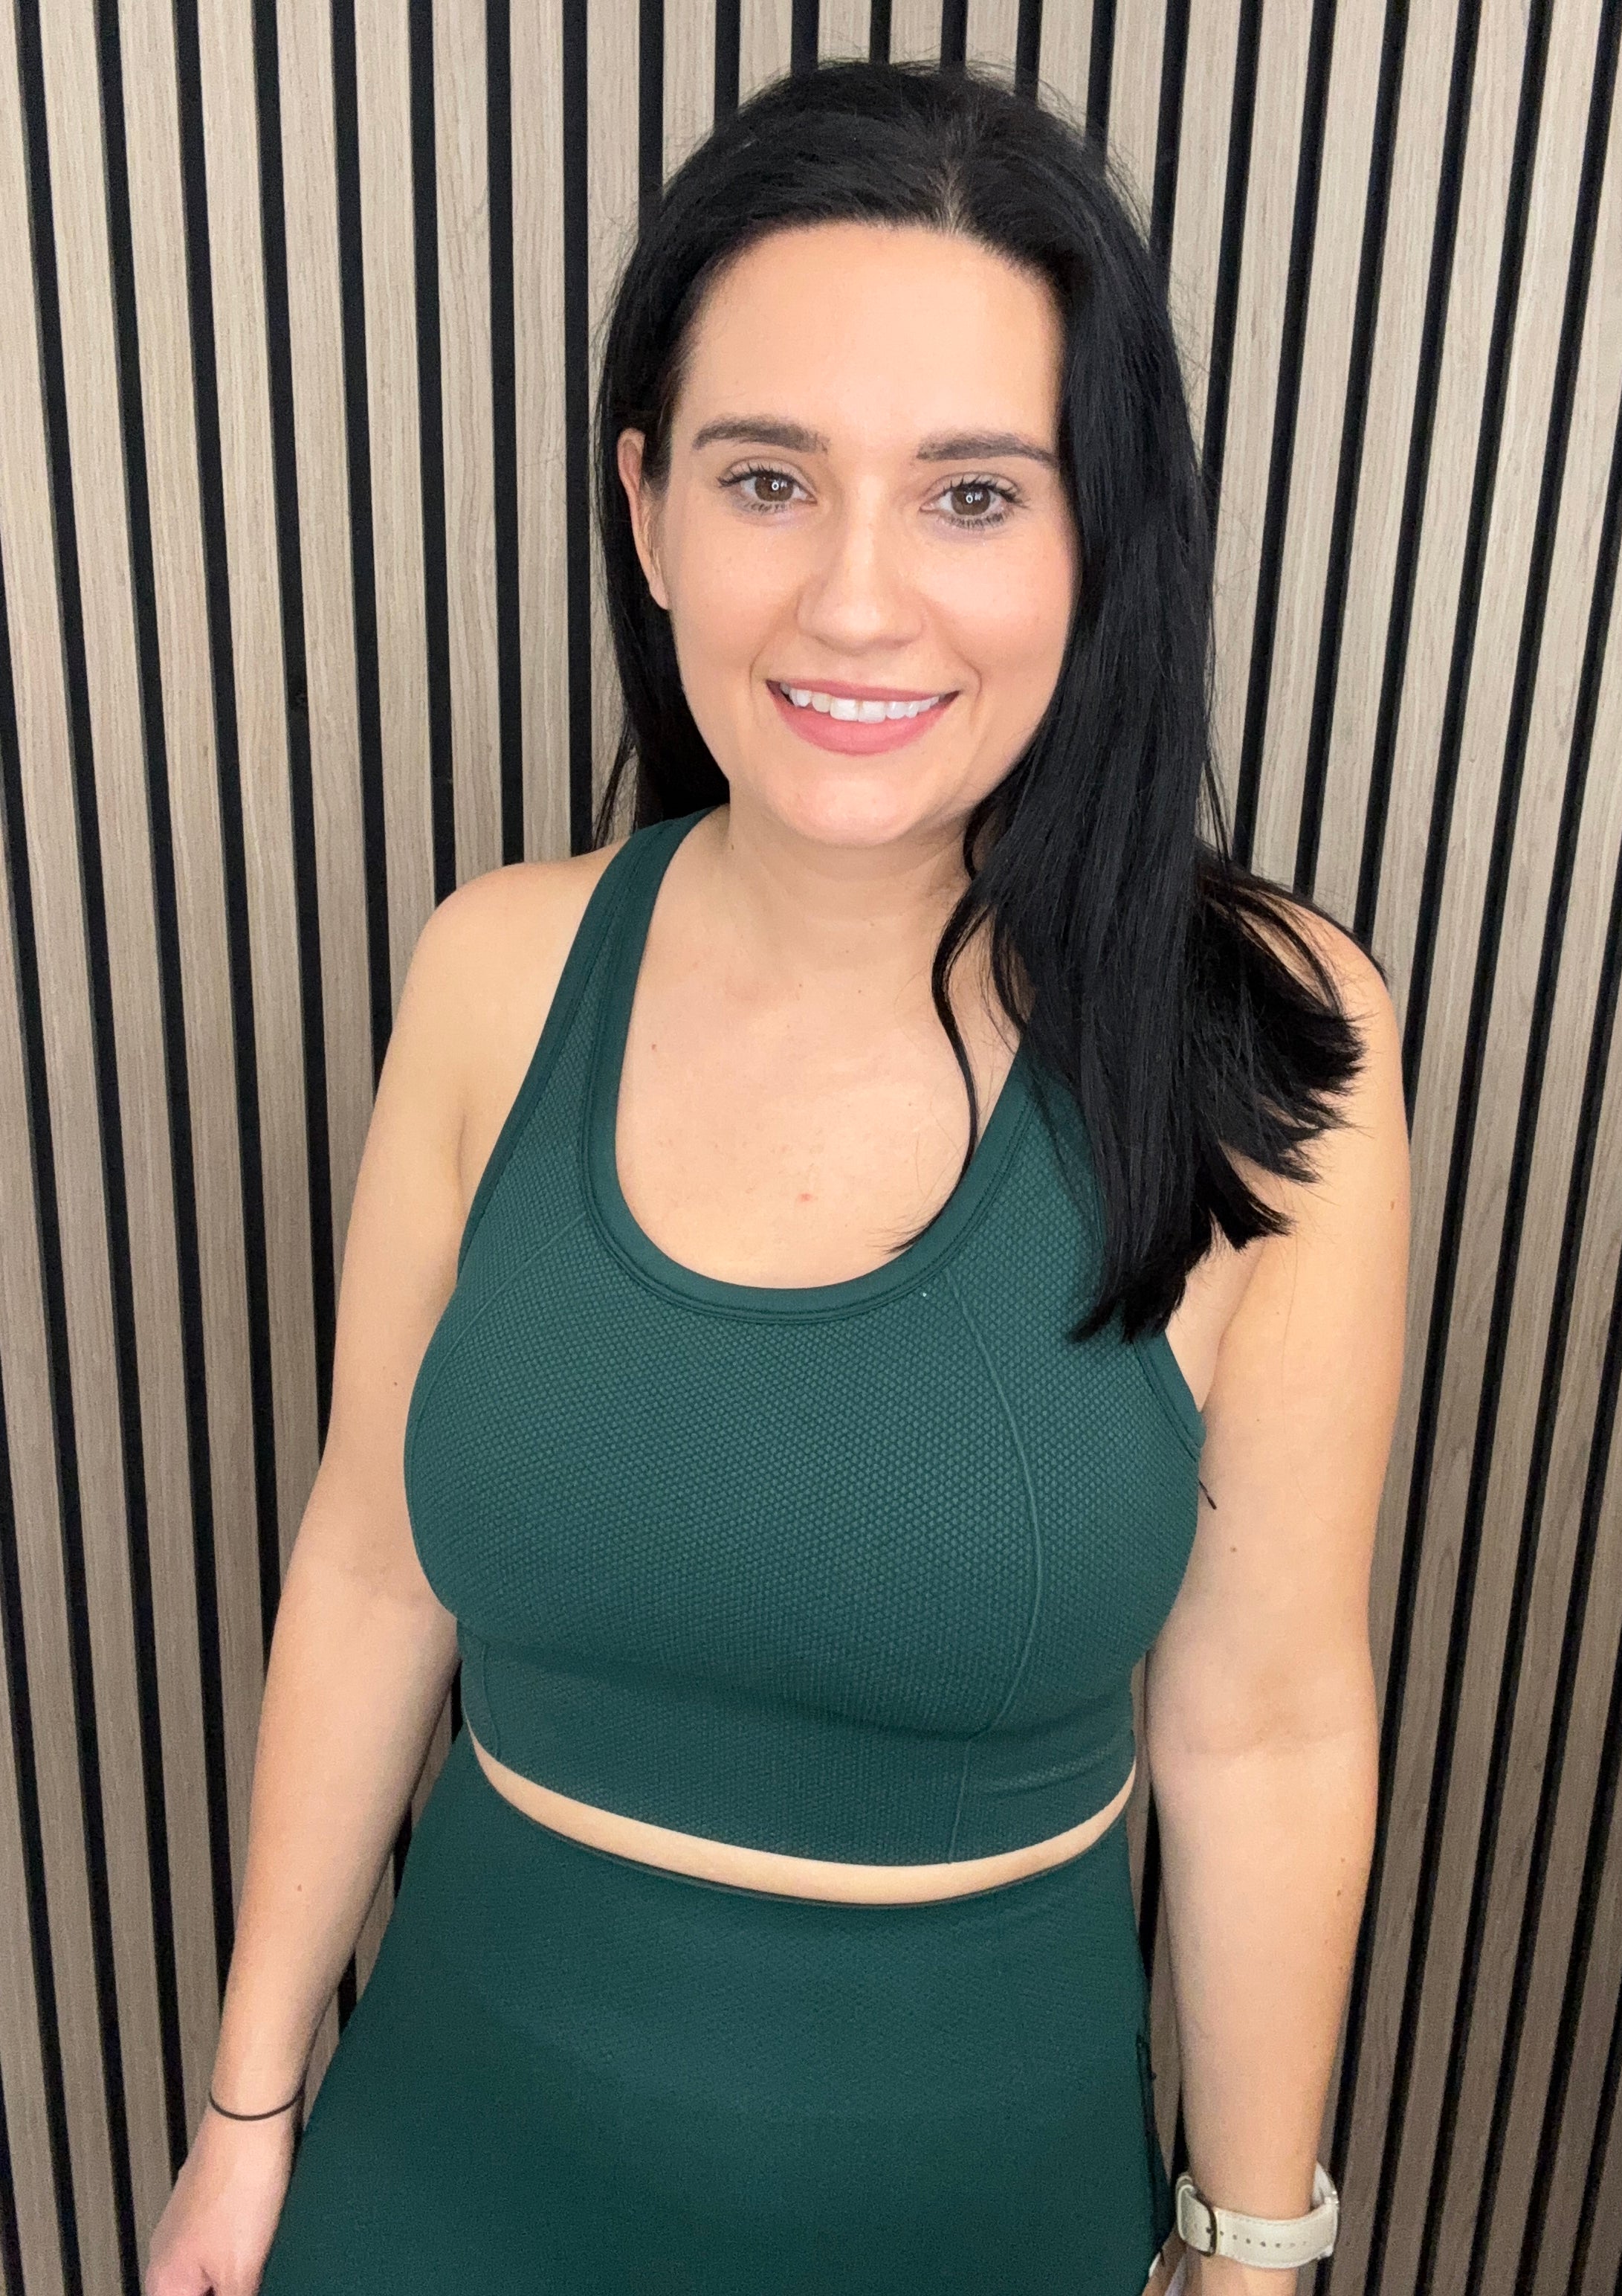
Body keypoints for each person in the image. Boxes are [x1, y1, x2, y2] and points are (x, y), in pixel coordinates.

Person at [146, 57, 1407, 2296]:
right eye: (766, 479)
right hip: (452, 2150)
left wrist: (1251, 2252)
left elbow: (1270, 1725)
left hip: (970, 2200)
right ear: (647, 515)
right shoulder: (494, 969)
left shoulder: (1260, 1038)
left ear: (1102, 538)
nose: (854, 600)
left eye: (971, 495)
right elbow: (368, 1564)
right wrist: (246, 2125)